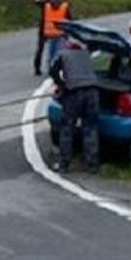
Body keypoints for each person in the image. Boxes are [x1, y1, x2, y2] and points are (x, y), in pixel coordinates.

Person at [49, 34, 100, 173]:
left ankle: (64, 164)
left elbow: (52, 71)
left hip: (74, 93)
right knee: (90, 128)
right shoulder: (86, 53)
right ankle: (92, 164)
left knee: (67, 129)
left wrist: (61, 85)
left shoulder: (63, 54)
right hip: (93, 92)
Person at [40, 0, 71, 70]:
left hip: (50, 33)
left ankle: (50, 67)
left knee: (51, 52)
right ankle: (58, 68)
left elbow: (44, 19)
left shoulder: (47, 6)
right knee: (60, 52)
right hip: (61, 33)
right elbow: (69, 20)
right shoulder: (65, 7)